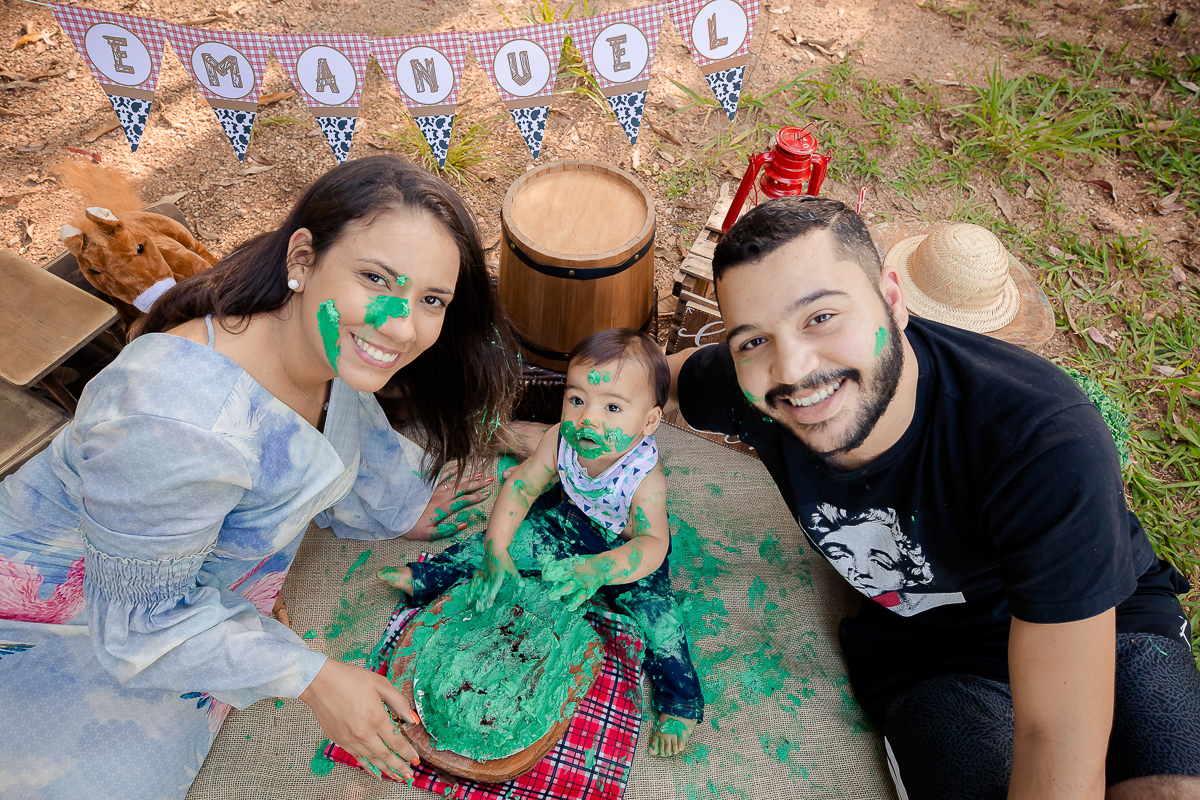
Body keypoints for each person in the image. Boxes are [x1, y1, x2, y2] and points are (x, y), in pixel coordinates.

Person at [0, 155, 520, 798]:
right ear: (302, 259)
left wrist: (402, 505)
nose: (402, 325)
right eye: (375, 278)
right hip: (67, 611)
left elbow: (340, 419)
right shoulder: (175, 422)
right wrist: (313, 677)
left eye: (431, 299)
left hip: (172, 570)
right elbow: (134, 625)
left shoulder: (307, 336)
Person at [665, 196, 1200, 798]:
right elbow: (652, 382)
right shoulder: (754, 387)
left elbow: (1056, 732)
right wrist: (569, 436)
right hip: (930, 652)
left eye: (821, 318)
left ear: (893, 302)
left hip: (1102, 615)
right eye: (752, 341)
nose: (793, 368)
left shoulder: (1043, 440)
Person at [378, 328, 705, 756]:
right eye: (576, 400)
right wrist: (497, 548)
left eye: (612, 407)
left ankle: (681, 702)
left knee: (661, 622)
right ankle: (430, 575)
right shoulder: (560, 439)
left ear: (648, 421)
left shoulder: (647, 479)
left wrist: (602, 568)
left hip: (625, 550)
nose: (589, 418)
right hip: (568, 521)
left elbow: (654, 543)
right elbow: (519, 490)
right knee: (499, 542)